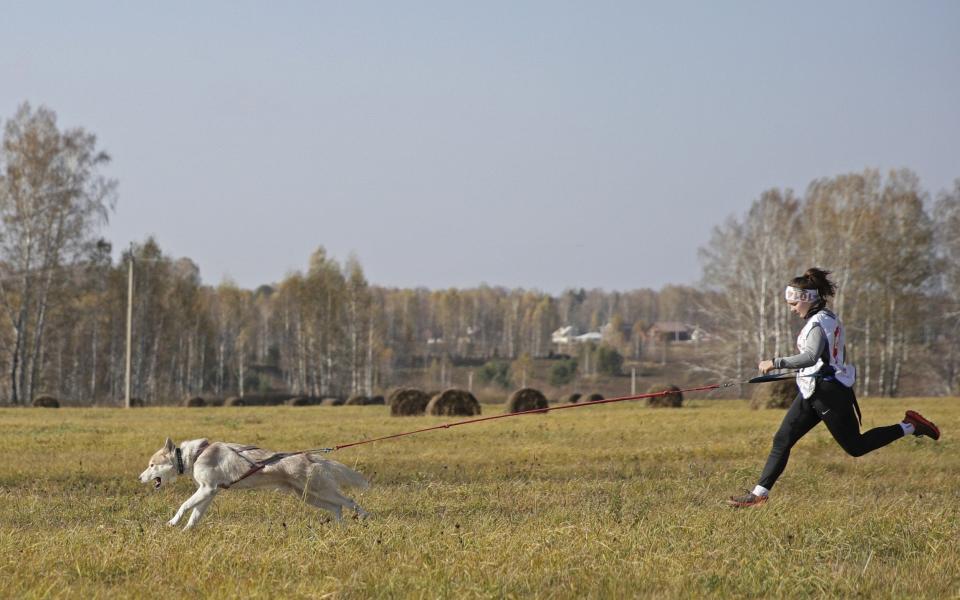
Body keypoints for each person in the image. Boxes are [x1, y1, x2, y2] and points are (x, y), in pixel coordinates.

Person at [728, 268, 940, 508]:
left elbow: (809, 356)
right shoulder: (828, 318)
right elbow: (830, 357)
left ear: (807, 299)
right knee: (782, 439)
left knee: (856, 447)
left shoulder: (818, 323)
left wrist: (775, 363)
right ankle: (758, 496)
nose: (791, 308)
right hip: (813, 389)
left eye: (793, 303)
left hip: (828, 394)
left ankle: (910, 426)